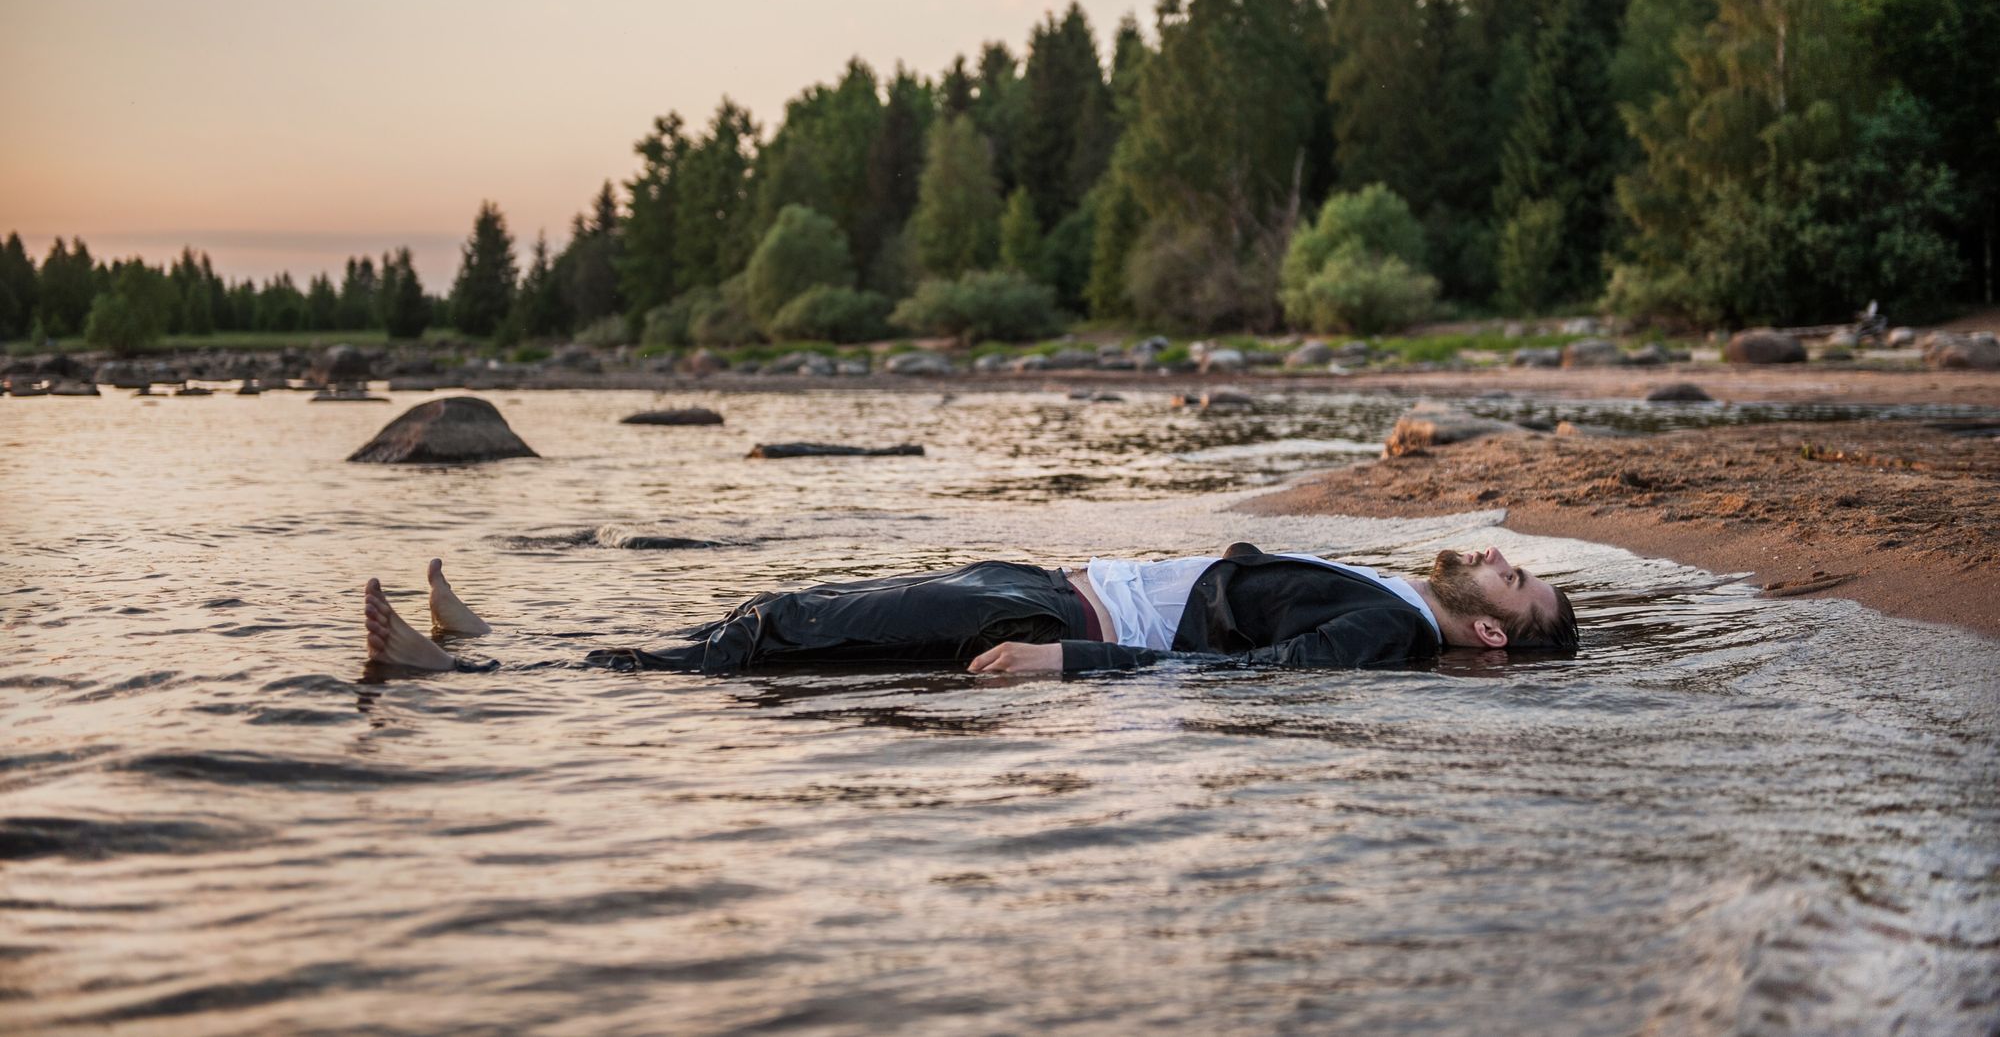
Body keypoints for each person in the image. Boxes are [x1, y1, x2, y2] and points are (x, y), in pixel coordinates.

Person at [363, 545, 1578, 675]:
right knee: (787, 613)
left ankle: (470, 679)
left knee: (786, 635)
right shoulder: (1395, 592)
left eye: (1514, 586)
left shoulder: (1390, 632)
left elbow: (1244, 675)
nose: (1494, 559)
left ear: (1486, 631)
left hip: (1062, 624)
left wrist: (1069, 670)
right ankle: (501, 646)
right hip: (1054, 583)